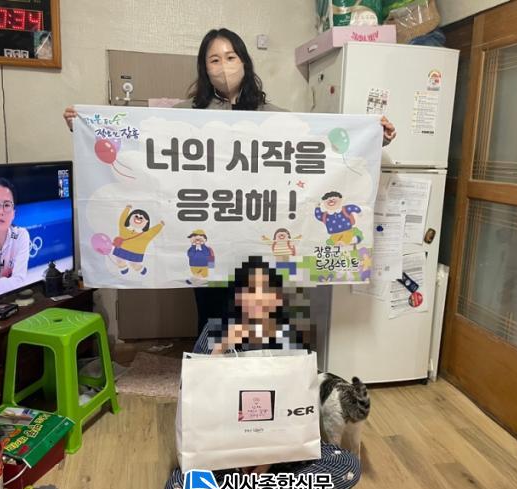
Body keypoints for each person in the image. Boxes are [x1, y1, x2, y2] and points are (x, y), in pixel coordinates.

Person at [63, 28, 396, 333]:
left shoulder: (273, 116)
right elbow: (139, 141)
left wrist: (371, 138)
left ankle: (252, 375)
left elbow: (320, 149)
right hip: (210, 237)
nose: (224, 66)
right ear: (205, 68)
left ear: (244, 62)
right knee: (212, 320)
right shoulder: (185, 114)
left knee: (258, 320)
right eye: (214, 60)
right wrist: (86, 127)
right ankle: (210, 373)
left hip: (257, 240)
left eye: (231, 57)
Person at [164, 257, 361, 489]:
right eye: (249, 291)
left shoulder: (289, 338)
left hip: (279, 452)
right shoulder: (215, 332)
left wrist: (265, 461)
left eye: (266, 291)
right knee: (178, 488)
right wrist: (222, 347)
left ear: (277, 298)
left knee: (347, 465)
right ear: (238, 298)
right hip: (222, 453)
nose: (257, 299)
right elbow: (193, 394)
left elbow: (297, 405)